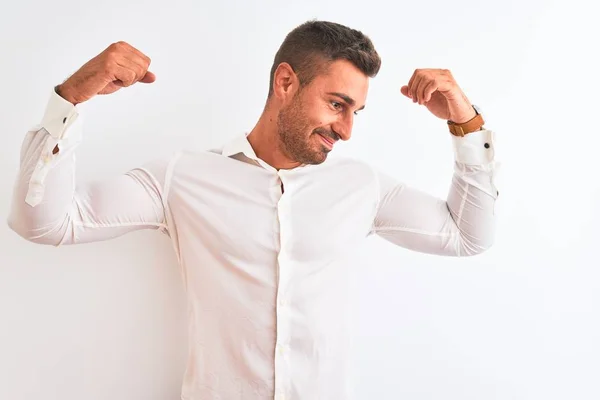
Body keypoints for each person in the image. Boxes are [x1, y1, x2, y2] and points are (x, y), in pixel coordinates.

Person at [7, 20, 499, 400]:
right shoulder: (183, 177)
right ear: (286, 82)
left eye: (355, 112)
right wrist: (72, 97)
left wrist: (465, 122)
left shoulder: (361, 186)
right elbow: (46, 222)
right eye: (336, 104)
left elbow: (467, 236)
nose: (347, 129)